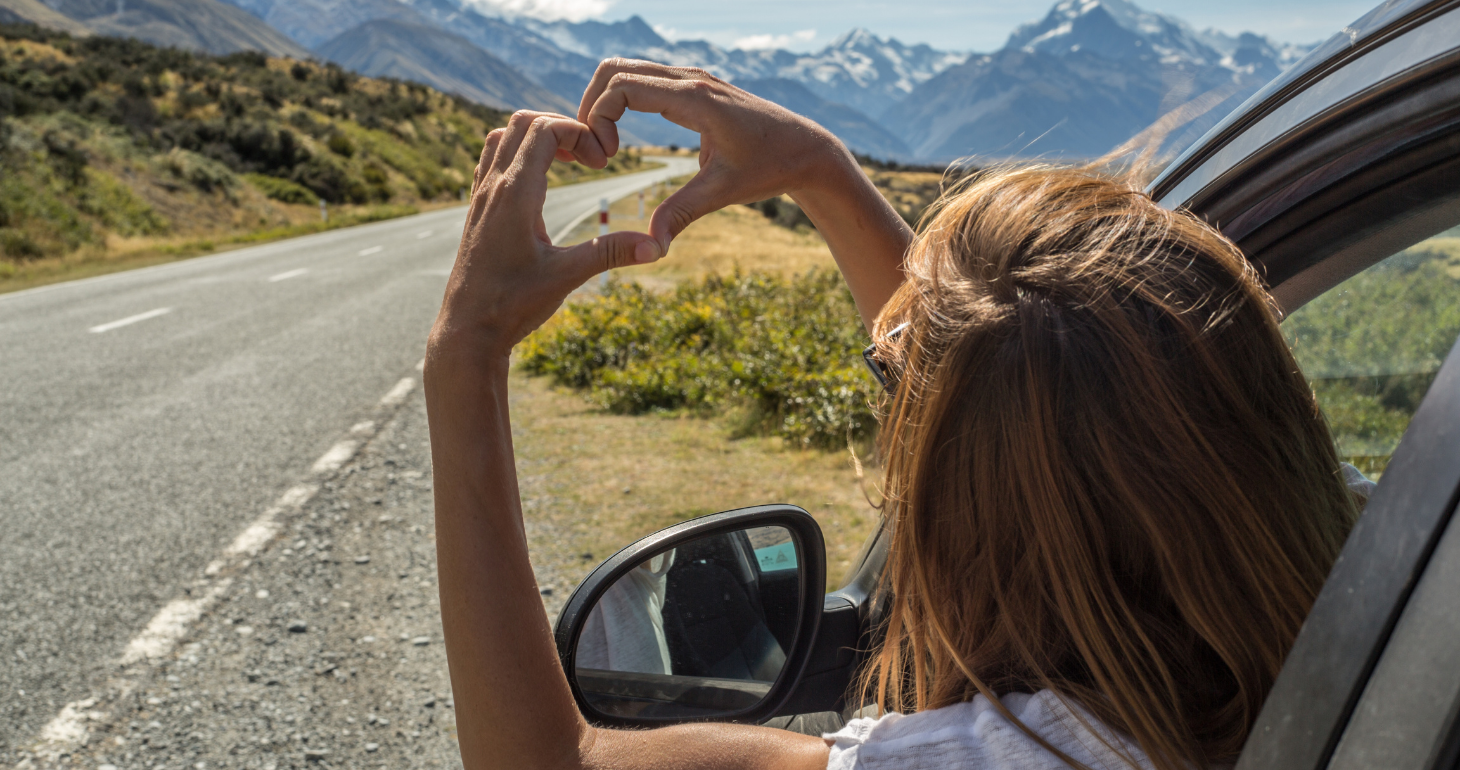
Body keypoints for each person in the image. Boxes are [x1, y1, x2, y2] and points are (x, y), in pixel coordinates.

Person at [423, 59, 1363, 770]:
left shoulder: (1008, 755)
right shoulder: (1368, 575)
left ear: (979, 523)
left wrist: (465, 353)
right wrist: (821, 171)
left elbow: (552, 762)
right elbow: (1016, 393)